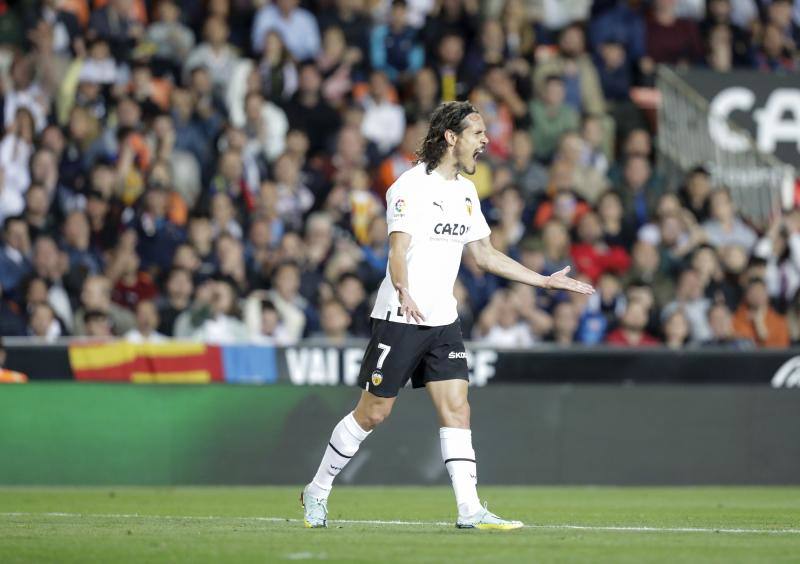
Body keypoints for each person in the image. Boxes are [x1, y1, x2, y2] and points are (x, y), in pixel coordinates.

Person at [301, 101, 594, 530]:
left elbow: (485, 255)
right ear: (451, 138)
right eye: (477, 133)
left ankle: (469, 509)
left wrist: (543, 281)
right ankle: (317, 490)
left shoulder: (466, 192)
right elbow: (397, 250)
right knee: (373, 414)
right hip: (400, 317)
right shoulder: (408, 187)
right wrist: (401, 288)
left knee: (458, 410)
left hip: (442, 321)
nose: (486, 141)